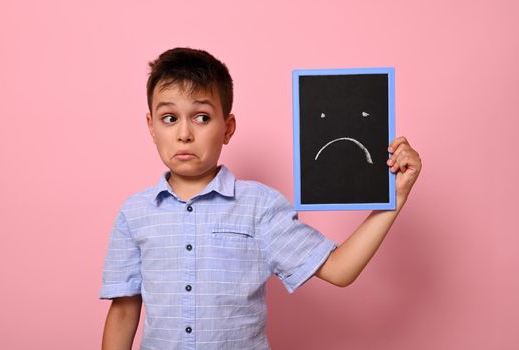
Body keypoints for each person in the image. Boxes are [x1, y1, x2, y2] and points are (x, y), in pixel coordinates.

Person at [100, 47, 422, 350]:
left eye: (201, 117)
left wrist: (394, 195)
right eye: (169, 118)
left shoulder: (260, 207)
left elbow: (340, 270)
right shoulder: (134, 214)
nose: (184, 133)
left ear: (227, 128)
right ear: (151, 127)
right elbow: (125, 309)